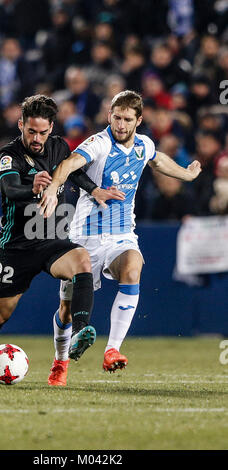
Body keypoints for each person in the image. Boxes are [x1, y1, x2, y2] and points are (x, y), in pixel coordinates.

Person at [39, 90, 201, 385]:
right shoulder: (99, 143)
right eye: (116, 117)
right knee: (66, 308)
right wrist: (52, 189)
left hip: (120, 234)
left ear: (139, 120)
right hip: (84, 236)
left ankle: (112, 350)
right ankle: (60, 363)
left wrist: (186, 175)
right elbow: (68, 164)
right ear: (109, 116)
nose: (121, 125)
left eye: (127, 119)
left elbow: (158, 160)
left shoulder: (144, 144)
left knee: (132, 267)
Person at [0, 94, 125, 385]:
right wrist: (33, 186)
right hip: (17, 247)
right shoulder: (9, 154)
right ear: (21, 125)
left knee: (81, 259)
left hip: (54, 240)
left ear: (51, 127)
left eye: (43, 132)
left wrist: (94, 191)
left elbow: (75, 173)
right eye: (31, 131)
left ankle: (81, 331)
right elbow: (9, 189)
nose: (37, 137)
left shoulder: (59, 146)